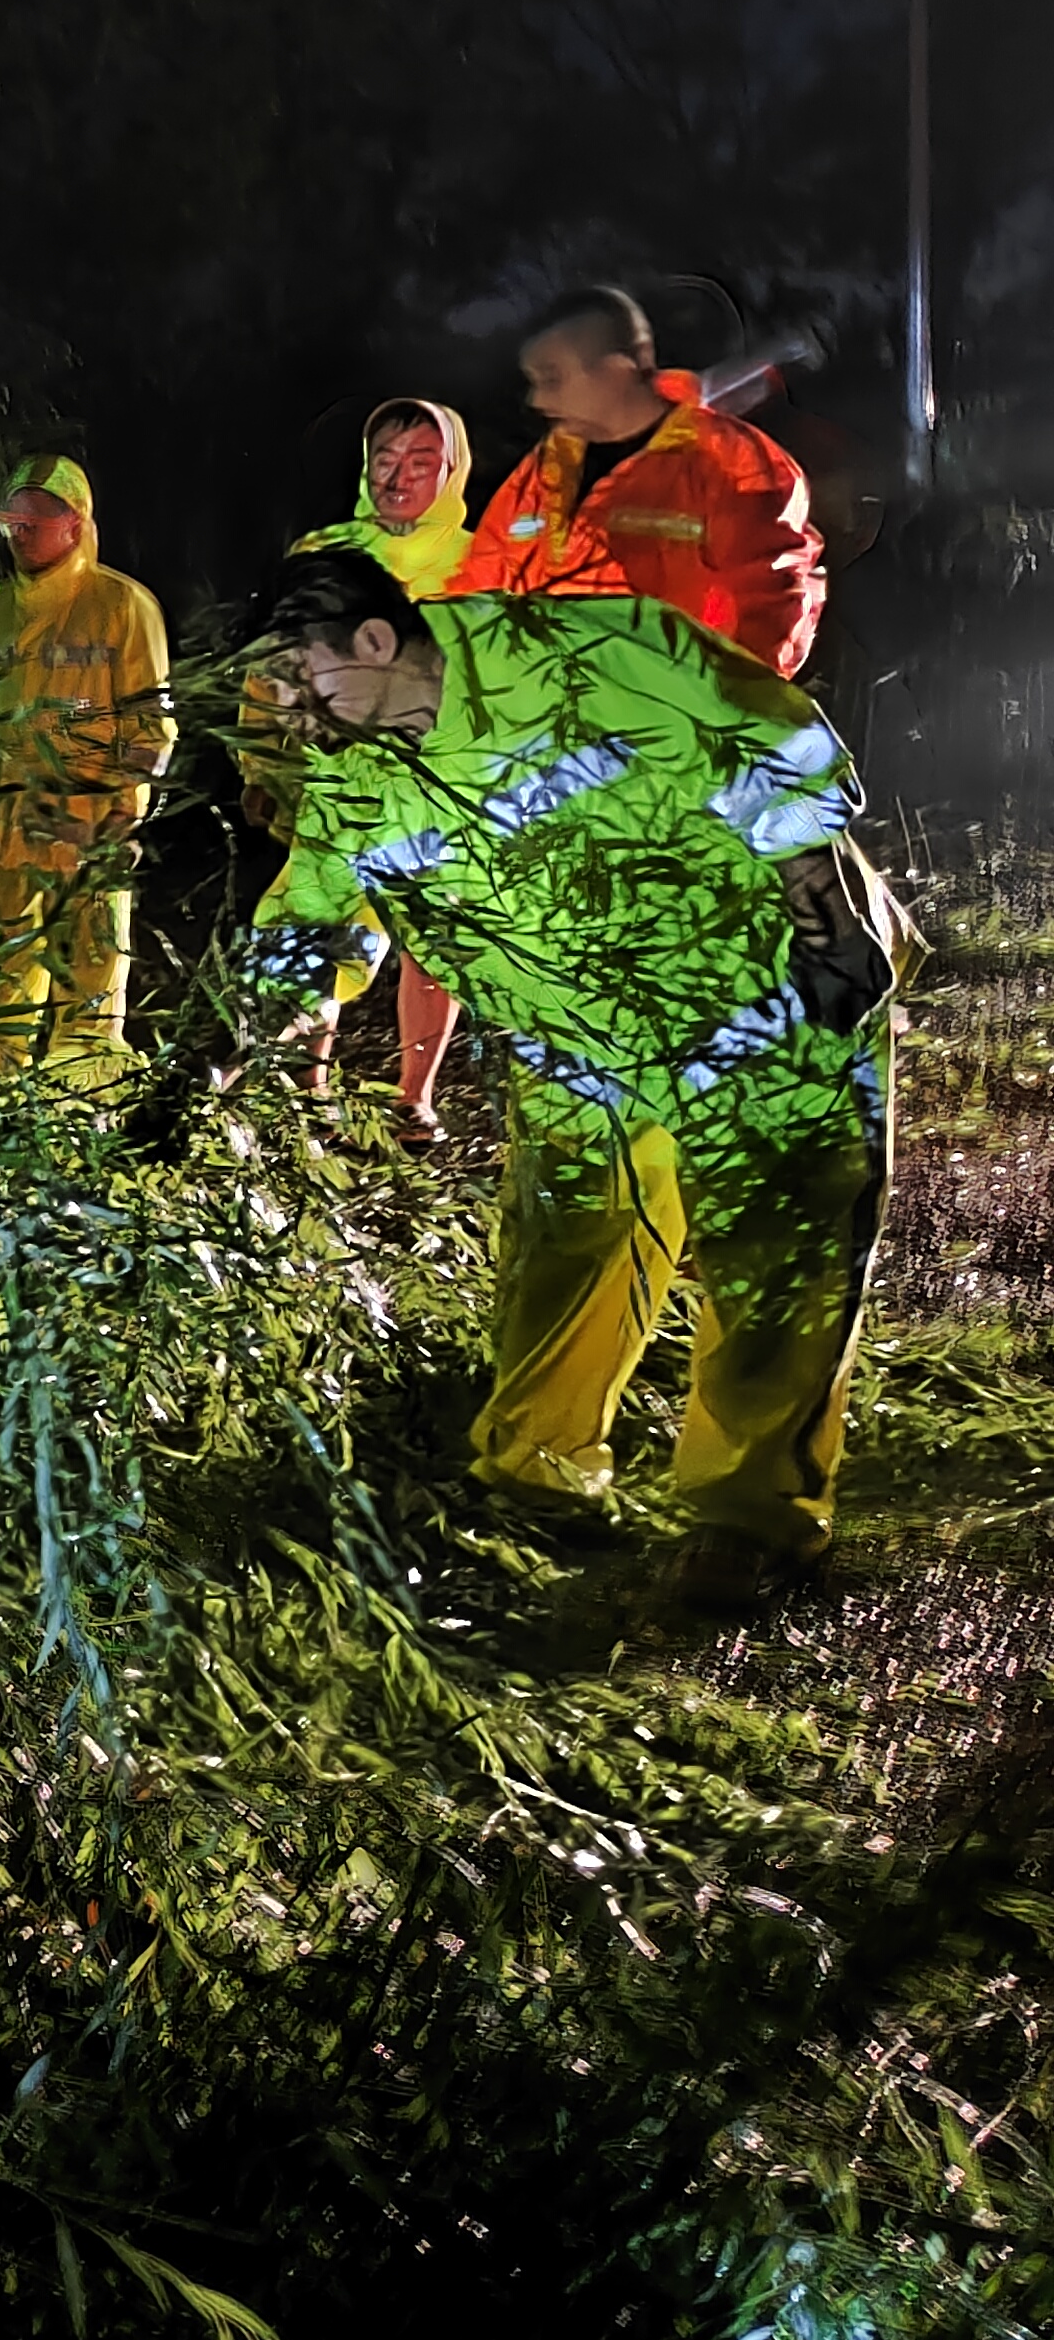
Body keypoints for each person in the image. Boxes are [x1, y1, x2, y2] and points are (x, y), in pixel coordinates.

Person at [227, 550, 905, 1589]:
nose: (284, 707)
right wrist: (217, 1058)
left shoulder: (571, 650)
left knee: (778, 1248)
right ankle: (535, 1473)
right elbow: (316, 920)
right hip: (574, 1037)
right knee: (567, 1240)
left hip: (752, 980)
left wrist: (824, 914)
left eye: (294, 675)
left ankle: (746, 1520)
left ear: (371, 642)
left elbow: (764, 738)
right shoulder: (354, 769)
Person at [242, 400, 480, 1140]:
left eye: (420, 462)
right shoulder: (330, 550)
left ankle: (414, 1095)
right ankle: (306, 1081)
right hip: (338, 779)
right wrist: (259, 753)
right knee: (312, 922)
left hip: (439, 785)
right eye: (385, 460)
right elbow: (278, 653)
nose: (399, 476)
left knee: (434, 944)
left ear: (450, 470)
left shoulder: (482, 563)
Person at [445, 286, 826, 677]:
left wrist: (714, 707)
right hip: (545, 714)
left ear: (618, 369)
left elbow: (774, 609)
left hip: (664, 719)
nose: (536, 399)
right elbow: (483, 576)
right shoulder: (550, 466)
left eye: (552, 379)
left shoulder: (733, 465)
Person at [0, 455, 173, 1072]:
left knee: (91, 968)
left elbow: (150, 723)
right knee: (6, 967)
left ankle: (86, 1099)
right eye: (14, 519)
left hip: (91, 819)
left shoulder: (123, 605)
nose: (21, 530)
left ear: (75, 524)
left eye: (38, 517)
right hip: (9, 819)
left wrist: (123, 809)